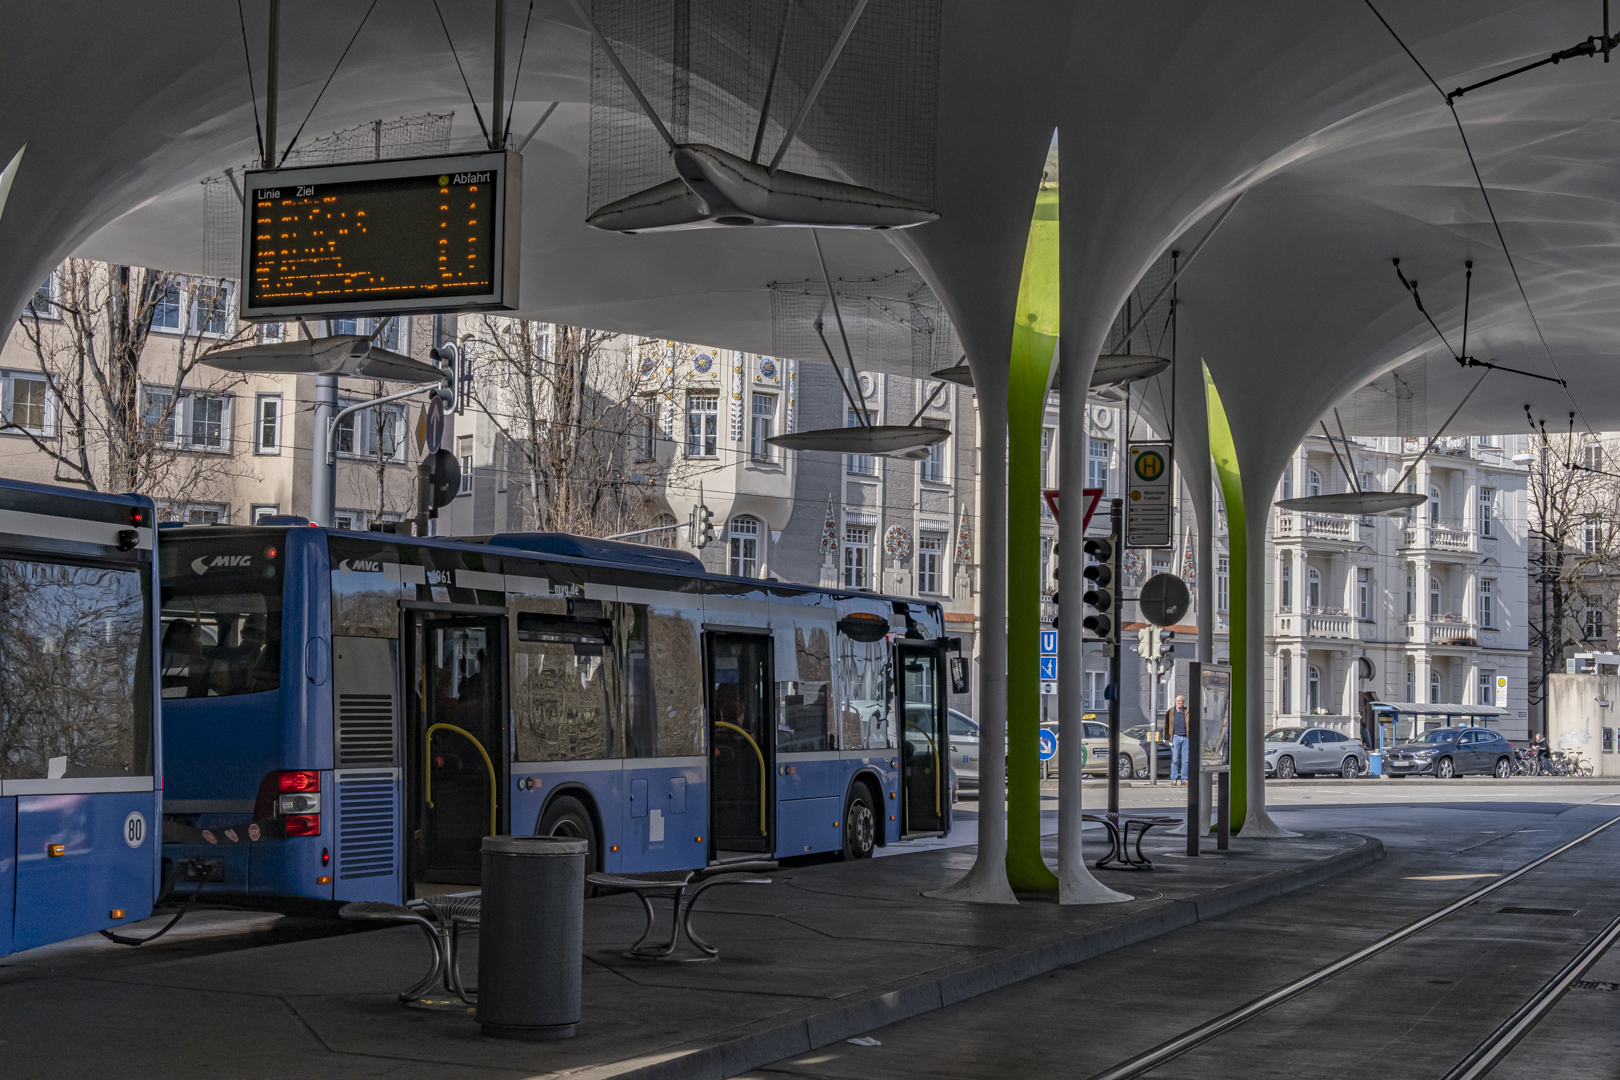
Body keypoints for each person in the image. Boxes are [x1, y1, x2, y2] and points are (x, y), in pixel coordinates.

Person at [1163, 693, 1190, 785]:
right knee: (1175, 759)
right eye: (1177, 701)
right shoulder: (1170, 712)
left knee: (1185, 760)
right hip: (1175, 737)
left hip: (1186, 737)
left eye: (1180, 701)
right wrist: (1167, 738)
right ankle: (1174, 779)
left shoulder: (1187, 712)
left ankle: (1184, 779)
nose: (1178, 703)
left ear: (1183, 702)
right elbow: (1166, 725)